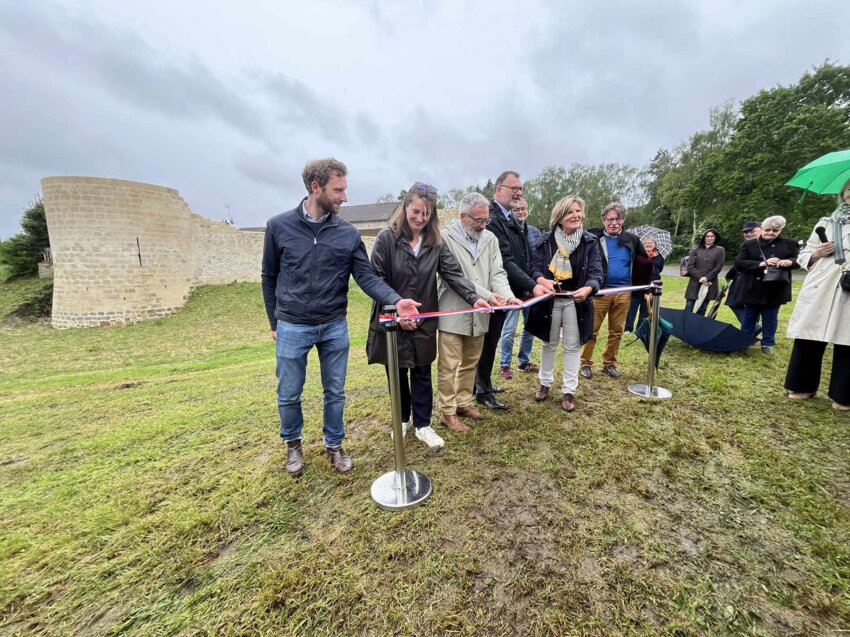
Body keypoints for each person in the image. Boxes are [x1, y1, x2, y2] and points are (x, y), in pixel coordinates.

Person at [261, 158, 420, 478]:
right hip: (292, 324)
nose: (344, 197)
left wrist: (396, 300)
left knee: (335, 392)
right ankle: (293, 445)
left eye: (344, 189)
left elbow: (366, 276)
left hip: (334, 325)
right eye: (339, 190)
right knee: (289, 392)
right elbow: (269, 276)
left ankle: (334, 445)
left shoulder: (348, 233)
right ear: (315, 187)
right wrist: (274, 323)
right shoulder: (279, 226)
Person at [366, 183, 491, 449]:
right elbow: (375, 278)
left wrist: (476, 298)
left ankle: (423, 424)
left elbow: (453, 274)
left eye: (426, 214)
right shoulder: (386, 238)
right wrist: (397, 309)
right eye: (416, 212)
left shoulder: (436, 242)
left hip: (423, 319)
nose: (421, 219)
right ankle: (401, 420)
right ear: (405, 207)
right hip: (393, 319)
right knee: (396, 372)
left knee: (422, 372)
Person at [437, 192, 521, 433]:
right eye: (479, 220)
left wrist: (507, 296)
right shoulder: (444, 238)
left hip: (481, 313)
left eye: (486, 220)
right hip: (452, 311)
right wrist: (487, 295)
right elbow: (454, 277)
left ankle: (463, 403)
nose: (484, 225)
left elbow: (498, 273)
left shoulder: (490, 239)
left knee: (471, 361)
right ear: (463, 216)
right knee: (449, 364)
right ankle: (447, 412)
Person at [474, 171, 551, 410]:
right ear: (498, 189)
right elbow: (506, 261)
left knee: (492, 339)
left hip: (508, 291)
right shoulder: (494, 218)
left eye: (521, 189)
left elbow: (521, 256)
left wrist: (532, 281)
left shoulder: (510, 218)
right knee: (487, 342)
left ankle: (482, 383)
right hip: (493, 291)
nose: (518, 193)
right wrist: (532, 285)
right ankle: (482, 390)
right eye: (513, 188)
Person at [526, 196, 603, 412]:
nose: (576, 215)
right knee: (548, 343)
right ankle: (544, 383)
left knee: (572, 345)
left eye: (578, 211)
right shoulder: (545, 241)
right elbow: (533, 268)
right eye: (570, 212)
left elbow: (597, 272)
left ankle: (569, 391)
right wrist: (542, 280)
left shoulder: (590, 241)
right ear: (559, 217)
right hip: (549, 301)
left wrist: (588, 289)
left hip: (576, 302)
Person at [785, 179, 850, 410]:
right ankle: (802, 385)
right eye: (849, 189)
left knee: (848, 338)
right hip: (822, 282)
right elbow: (804, 255)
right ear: (842, 194)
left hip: (848, 286)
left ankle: (844, 395)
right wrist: (817, 254)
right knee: (810, 334)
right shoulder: (826, 222)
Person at [579, 202, 648, 379]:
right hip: (600, 292)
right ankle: (585, 363)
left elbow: (644, 262)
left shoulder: (631, 239)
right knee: (591, 330)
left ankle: (609, 363)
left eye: (618, 218)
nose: (614, 222)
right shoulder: (593, 237)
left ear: (623, 220)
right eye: (610, 219)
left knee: (616, 331)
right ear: (604, 221)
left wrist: (648, 282)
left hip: (624, 292)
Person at [733, 215, 799, 355]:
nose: (770, 233)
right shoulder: (749, 244)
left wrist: (789, 262)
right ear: (762, 229)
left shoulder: (790, 243)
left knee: (770, 316)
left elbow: (798, 261)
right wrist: (761, 263)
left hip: (776, 286)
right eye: (768, 229)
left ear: (780, 230)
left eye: (775, 230)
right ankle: (743, 340)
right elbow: (739, 264)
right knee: (749, 314)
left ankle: (768, 343)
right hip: (753, 286)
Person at [499, 197, 541, 379]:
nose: (521, 212)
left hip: (532, 288)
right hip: (512, 288)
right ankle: (505, 363)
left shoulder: (535, 233)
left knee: (530, 327)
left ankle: (524, 361)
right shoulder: (506, 232)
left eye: (524, 208)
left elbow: (538, 260)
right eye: (517, 209)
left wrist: (536, 283)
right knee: (509, 329)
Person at [724, 221, 763, 326]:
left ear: (761, 230)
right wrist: (730, 275)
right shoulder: (747, 244)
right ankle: (751, 331)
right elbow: (739, 262)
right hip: (740, 279)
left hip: (754, 280)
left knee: (735, 303)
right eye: (746, 232)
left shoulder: (764, 245)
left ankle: (753, 327)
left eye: (752, 231)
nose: (748, 234)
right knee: (748, 306)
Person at [624, 236, 665, 333]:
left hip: (651, 286)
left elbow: (660, 270)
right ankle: (628, 328)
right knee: (631, 308)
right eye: (646, 243)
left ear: (655, 245)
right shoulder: (638, 255)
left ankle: (640, 328)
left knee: (645, 309)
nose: (648, 244)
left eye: (651, 242)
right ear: (642, 245)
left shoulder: (659, 257)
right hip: (637, 285)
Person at [684, 229, 725, 315]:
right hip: (695, 282)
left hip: (710, 283)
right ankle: (685, 325)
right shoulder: (696, 250)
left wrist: (707, 277)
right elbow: (690, 266)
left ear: (715, 237)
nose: (709, 238)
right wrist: (700, 277)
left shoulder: (720, 250)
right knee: (689, 306)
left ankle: (698, 326)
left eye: (712, 236)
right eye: (707, 236)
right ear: (704, 237)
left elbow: (719, 266)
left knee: (702, 308)